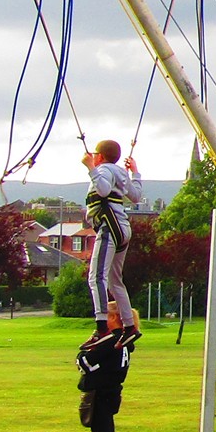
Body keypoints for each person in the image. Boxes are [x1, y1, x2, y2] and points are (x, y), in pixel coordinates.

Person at [83, 140, 144, 347]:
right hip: (122, 228)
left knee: (96, 277)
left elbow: (102, 190)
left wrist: (91, 168)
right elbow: (135, 196)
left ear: (99, 156)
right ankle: (129, 326)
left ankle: (102, 328)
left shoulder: (104, 170)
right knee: (115, 281)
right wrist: (135, 173)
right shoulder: (120, 173)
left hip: (109, 228)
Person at [75, 331, 132, 432]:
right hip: (112, 389)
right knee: (105, 427)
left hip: (100, 391)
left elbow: (85, 363)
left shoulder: (111, 341)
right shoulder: (123, 341)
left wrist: (82, 354)